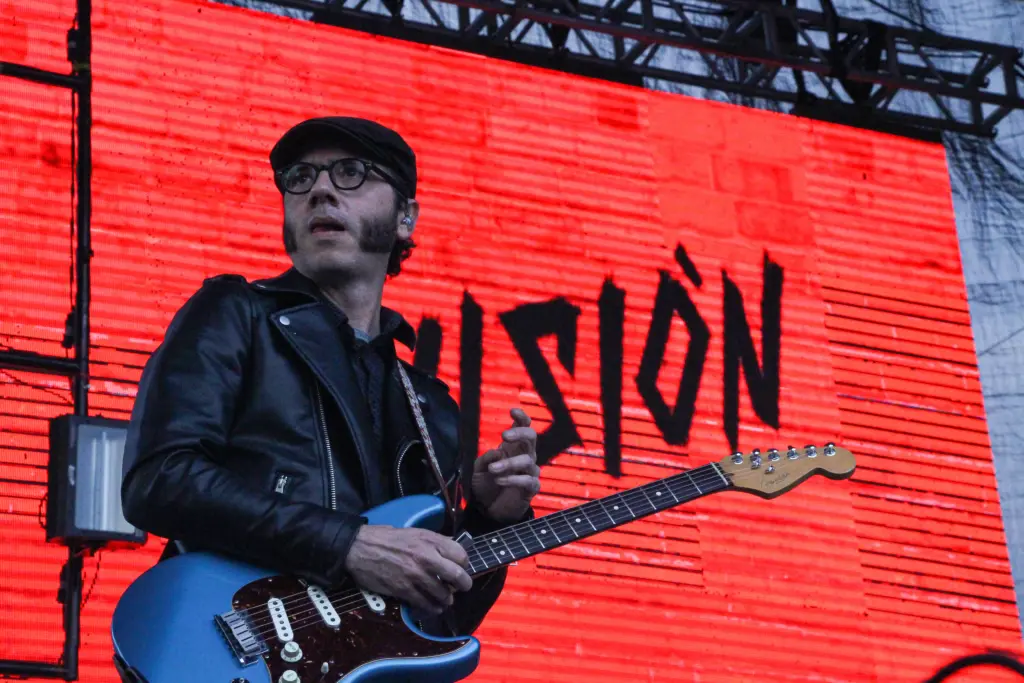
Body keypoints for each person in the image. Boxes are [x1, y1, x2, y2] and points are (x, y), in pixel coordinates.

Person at [120, 116, 541, 636]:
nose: (320, 190)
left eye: (351, 172)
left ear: (405, 217)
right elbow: (159, 480)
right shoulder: (236, 314)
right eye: (300, 177)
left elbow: (442, 625)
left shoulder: (431, 409)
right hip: (228, 646)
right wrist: (346, 544)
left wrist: (490, 520)